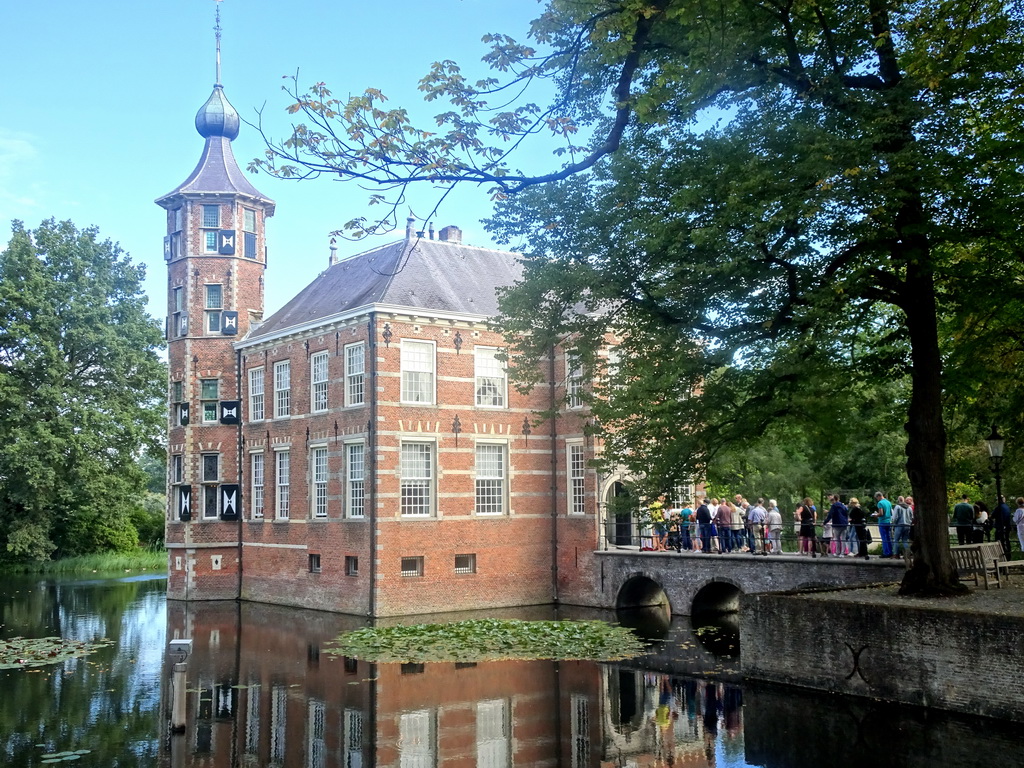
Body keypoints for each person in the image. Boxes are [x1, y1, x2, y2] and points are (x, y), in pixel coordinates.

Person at [872, 491, 894, 557]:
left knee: (884, 538)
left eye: (877, 498)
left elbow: (881, 513)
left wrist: (875, 515)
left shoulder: (880, 503)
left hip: (882, 521)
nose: (877, 499)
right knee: (888, 537)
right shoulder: (888, 502)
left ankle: (885, 552)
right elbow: (891, 513)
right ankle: (890, 552)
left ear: (879, 496)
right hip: (888, 521)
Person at [993, 495, 1013, 560]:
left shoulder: (998, 507)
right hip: (1007, 527)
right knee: (1007, 541)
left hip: (1000, 527)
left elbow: (993, 516)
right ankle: (1008, 556)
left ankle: (1000, 557)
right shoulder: (1007, 507)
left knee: (998, 542)